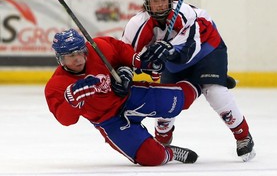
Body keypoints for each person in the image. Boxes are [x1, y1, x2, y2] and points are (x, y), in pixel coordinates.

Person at [121, 0, 256, 162]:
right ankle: (163, 142)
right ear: (146, 2)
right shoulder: (137, 25)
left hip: (208, 49)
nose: (160, 4)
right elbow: (124, 54)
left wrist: (169, 51)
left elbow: (191, 50)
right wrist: (136, 68)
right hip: (176, 60)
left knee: (214, 90)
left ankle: (243, 135)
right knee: (165, 101)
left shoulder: (185, 14)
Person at [44, 28, 201, 166]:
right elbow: (65, 120)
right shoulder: (56, 85)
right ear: (60, 59)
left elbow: (122, 53)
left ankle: (205, 83)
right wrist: (71, 102)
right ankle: (169, 152)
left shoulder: (99, 48)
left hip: (129, 96)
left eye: (80, 52)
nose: (78, 58)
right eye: (71, 55)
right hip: (109, 121)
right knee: (153, 157)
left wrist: (134, 66)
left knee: (181, 99)